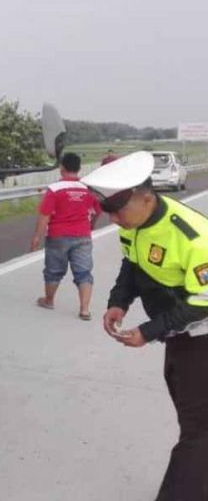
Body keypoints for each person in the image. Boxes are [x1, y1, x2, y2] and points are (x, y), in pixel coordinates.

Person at [82, 151, 208, 500]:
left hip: (202, 336)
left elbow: (204, 300)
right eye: (110, 213)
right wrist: (118, 302)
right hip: (179, 337)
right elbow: (133, 266)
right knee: (192, 417)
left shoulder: (193, 236)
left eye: (119, 212)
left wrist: (149, 331)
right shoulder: (134, 225)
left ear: (147, 197)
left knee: (200, 428)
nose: (115, 220)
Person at [30, 152, 102, 320]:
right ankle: (84, 309)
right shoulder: (88, 188)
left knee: (54, 271)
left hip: (58, 236)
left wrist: (36, 237)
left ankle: (49, 300)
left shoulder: (54, 189)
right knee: (84, 272)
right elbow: (98, 210)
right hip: (83, 235)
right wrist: (91, 225)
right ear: (79, 168)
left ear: (61, 167)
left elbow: (45, 215)